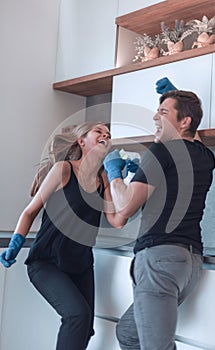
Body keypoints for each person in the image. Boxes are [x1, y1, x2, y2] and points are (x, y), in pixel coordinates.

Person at [103, 86, 215, 349]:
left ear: (184, 121)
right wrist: (175, 99)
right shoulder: (205, 156)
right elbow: (191, 134)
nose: (155, 117)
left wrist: (114, 173)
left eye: (162, 112)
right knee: (129, 333)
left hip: (159, 259)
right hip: (188, 263)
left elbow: (127, 206)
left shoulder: (161, 152)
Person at [0, 121, 127, 350]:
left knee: (85, 327)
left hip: (80, 263)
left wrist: (119, 177)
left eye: (108, 134)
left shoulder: (104, 179)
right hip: (47, 261)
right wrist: (15, 243)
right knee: (77, 316)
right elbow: (31, 210)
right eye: (98, 131)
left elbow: (117, 221)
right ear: (82, 141)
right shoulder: (64, 170)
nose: (105, 135)